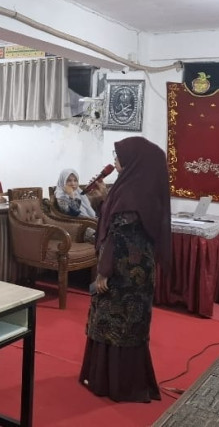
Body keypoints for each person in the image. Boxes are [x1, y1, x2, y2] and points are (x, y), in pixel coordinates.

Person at [79, 136, 170, 403]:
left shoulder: (130, 193)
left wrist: (104, 270)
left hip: (122, 273)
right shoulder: (140, 188)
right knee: (131, 324)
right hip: (140, 272)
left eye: (119, 155)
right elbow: (117, 221)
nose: (115, 160)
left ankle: (110, 382)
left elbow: (118, 236)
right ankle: (126, 381)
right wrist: (102, 200)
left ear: (134, 160)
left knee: (113, 321)